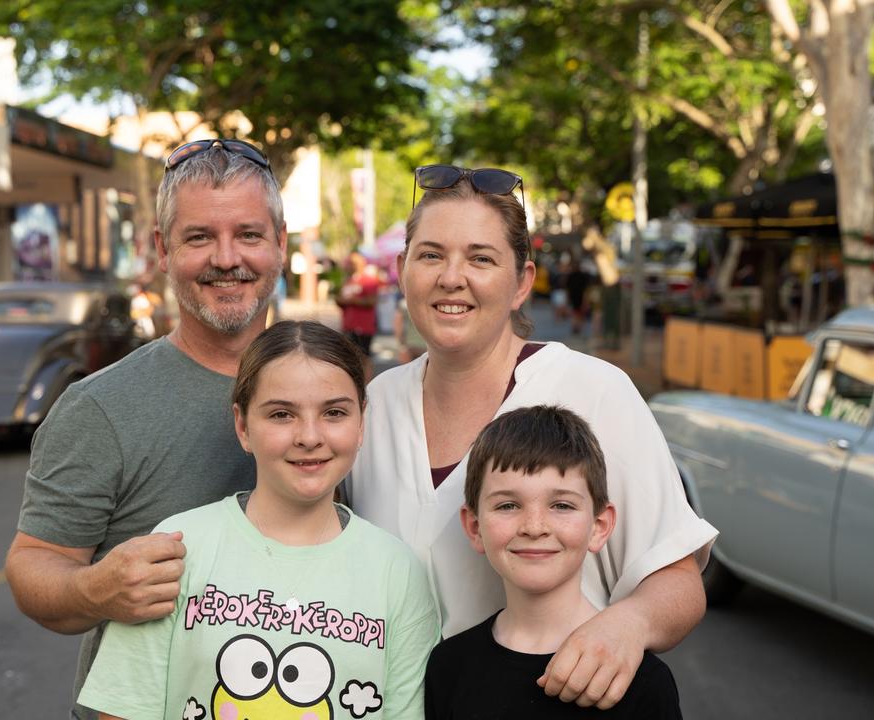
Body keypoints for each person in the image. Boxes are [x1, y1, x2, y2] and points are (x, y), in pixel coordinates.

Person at [349, 164, 717, 710]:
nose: (452, 277)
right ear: (402, 270)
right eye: (431, 255)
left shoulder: (593, 391)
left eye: (480, 258)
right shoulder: (371, 407)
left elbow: (679, 577)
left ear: (522, 282)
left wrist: (630, 623)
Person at [5, 138, 287, 720]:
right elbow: (33, 563)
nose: (226, 258)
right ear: (162, 249)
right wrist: (95, 589)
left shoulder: (334, 391)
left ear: (281, 244)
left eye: (249, 235)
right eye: (200, 237)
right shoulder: (98, 406)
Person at [77, 321, 439, 720]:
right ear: (243, 426)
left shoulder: (397, 573)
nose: (309, 436)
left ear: (361, 424)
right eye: (282, 414)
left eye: (334, 412)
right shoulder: (178, 549)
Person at [425, 405, 682, 719]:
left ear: (599, 526)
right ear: (475, 527)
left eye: (561, 505)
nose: (534, 527)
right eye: (507, 505)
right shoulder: (449, 667)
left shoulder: (641, 682)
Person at [337, 250, 380, 356]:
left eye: (353, 263)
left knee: (363, 357)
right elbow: (340, 299)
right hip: (348, 325)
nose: (350, 266)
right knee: (349, 358)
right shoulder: (348, 281)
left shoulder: (369, 280)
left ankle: (367, 374)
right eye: (349, 263)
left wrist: (353, 300)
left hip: (363, 327)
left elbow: (372, 301)